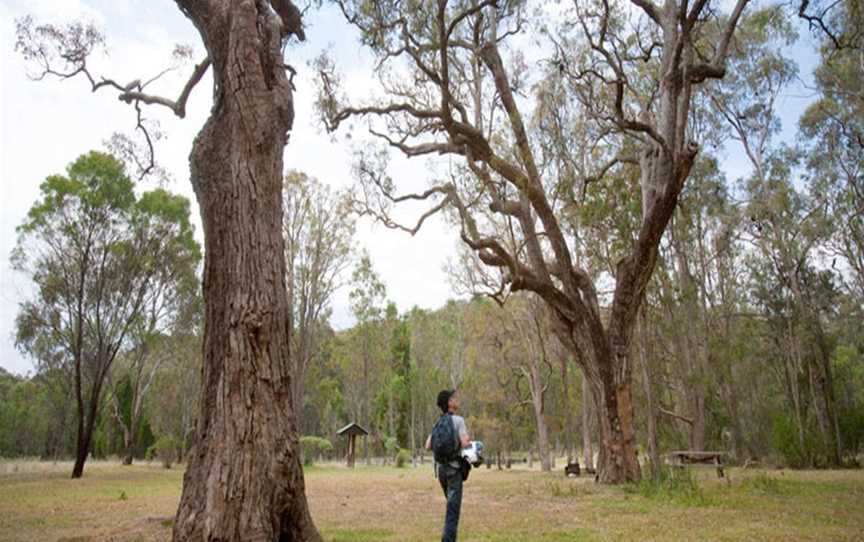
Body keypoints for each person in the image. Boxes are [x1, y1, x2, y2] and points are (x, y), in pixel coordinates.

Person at [425, 389, 470, 542]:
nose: (457, 399)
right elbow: (464, 443)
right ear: (449, 403)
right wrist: (468, 441)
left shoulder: (437, 423)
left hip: (441, 471)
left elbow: (427, 445)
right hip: (453, 470)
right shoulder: (458, 420)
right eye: (454, 398)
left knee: (451, 508)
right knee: (452, 512)